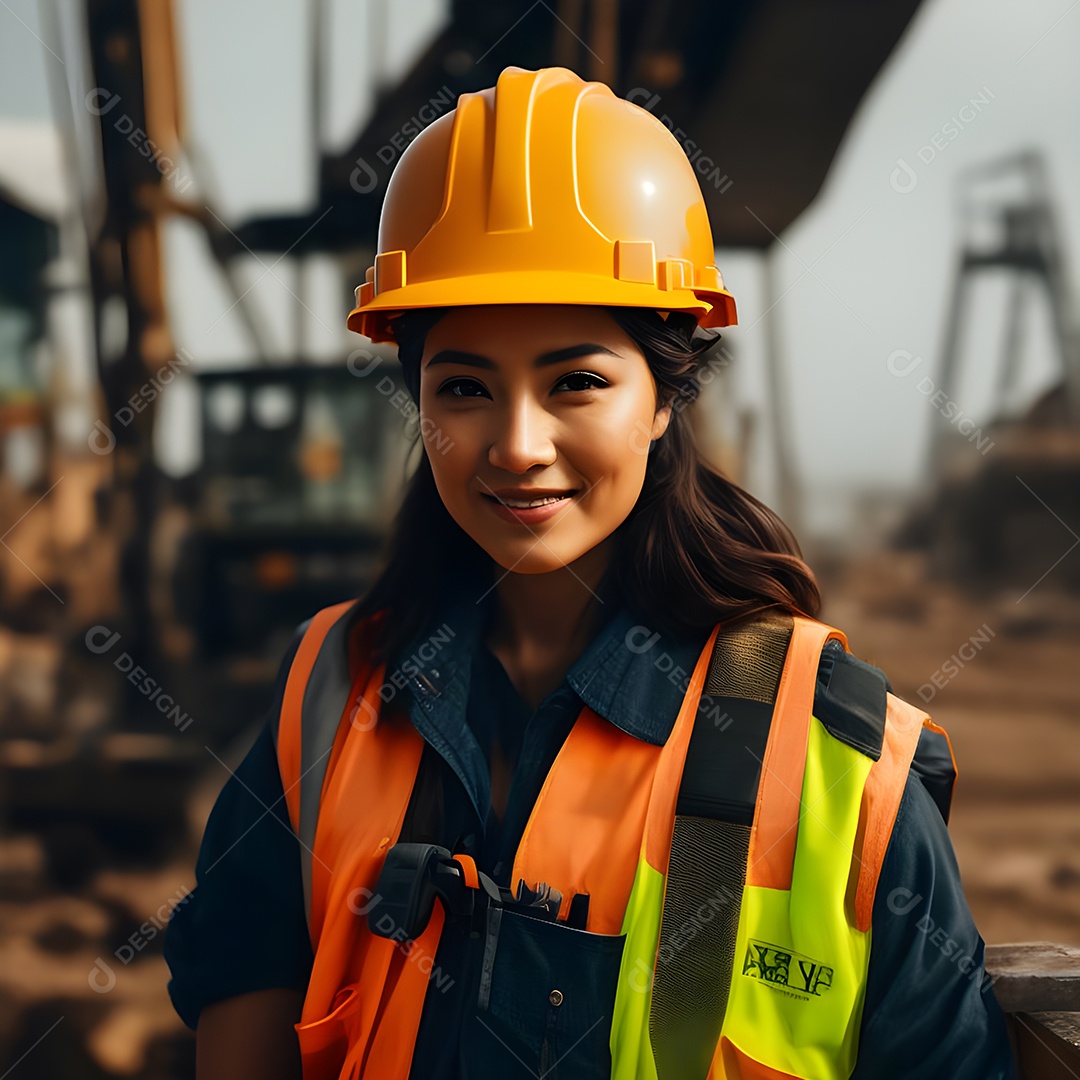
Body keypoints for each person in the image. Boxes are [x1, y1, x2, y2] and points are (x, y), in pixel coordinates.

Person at [164, 66, 1017, 1079]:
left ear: (666, 398)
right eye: (465, 387)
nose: (518, 446)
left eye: (576, 381)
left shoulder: (841, 770)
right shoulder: (327, 696)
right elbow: (244, 994)